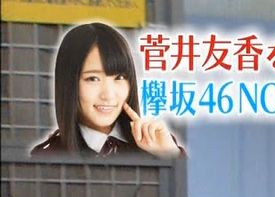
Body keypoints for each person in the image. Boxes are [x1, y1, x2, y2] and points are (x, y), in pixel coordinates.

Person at [31, 22, 181, 157]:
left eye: (119, 77)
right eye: (93, 79)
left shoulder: (156, 144)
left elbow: (190, 178)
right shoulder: (48, 156)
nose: (109, 95)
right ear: (69, 84)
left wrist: (171, 156)